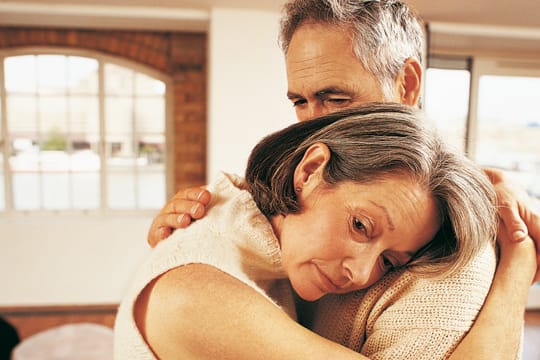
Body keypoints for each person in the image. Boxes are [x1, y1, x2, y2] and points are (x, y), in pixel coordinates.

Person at [146, 0, 540, 358]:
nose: (315, 126)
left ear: (407, 84)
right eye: (300, 101)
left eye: (337, 100)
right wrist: (196, 232)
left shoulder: (453, 243)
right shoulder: (257, 216)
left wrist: (515, 265)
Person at [115, 103, 499, 359]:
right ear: (310, 170)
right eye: (361, 226)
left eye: (388, 260)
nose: (362, 273)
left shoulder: (246, 236)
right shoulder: (195, 293)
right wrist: (519, 265)